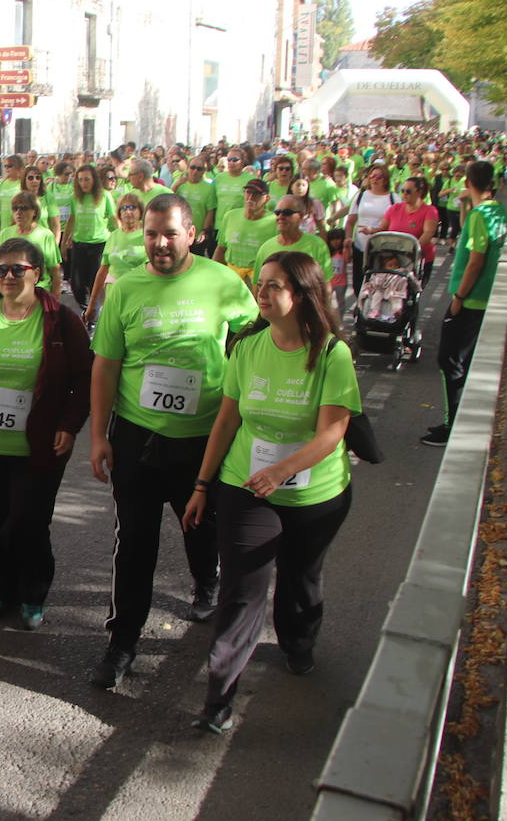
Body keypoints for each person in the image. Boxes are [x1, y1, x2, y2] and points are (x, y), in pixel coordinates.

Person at [182, 252, 359, 733]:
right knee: (242, 592)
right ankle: (218, 702)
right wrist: (203, 483)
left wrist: (282, 471)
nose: (261, 293)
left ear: (301, 295)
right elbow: (227, 419)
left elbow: (332, 432)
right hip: (247, 487)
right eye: (260, 285)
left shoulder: (331, 354)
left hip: (315, 495)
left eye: (274, 286)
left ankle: (299, 643)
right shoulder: (247, 346)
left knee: (300, 581)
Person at [88, 193, 258, 689]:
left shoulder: (222, 281)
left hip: (202, 437)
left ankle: (208, 580)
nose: (159, 244)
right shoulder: (126, 288)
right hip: (137, 436)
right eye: (150, 234)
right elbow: (106, 364)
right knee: (134, 542)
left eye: (169, 234)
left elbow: (256, 340)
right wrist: (98, 434)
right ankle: (122, 643)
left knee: (201, 528)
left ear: (193, 234)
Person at [0, 237, 92, 630]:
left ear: (37, 274)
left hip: (39, 445)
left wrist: (68, 425)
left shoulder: (60, 320)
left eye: (17, 269)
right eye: (0, 269)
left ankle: (33, 591)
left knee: (26, 522)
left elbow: (84, 378)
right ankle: (2, 589)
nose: (7, 276)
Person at [424, 161, 507, 447]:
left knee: (449, 360)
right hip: (485, 299)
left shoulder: (480, 215)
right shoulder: (493, 210)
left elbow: (476, 259)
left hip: (471, 299)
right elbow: (468, 233)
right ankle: (459, 421)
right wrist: (463, 206)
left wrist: (459, 297)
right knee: (465, 361)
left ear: (469, 182)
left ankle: (452, 425)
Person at [83, 193, 146, 325]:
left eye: (133, 207)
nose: (128, 211)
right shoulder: (114, 236)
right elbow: (103, 270)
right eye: (124, 208)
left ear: (141, 211)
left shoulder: (147, 235)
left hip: (139, 299)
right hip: (113, 298)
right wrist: (92, 305)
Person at [64, 164, 114, 311]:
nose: (84, 183)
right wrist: (64, 243)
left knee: (95, 283)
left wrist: (120, 238)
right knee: (76, 284)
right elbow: (72, 219)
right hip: (79, 244)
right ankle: (85, 307)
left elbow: (113, 219)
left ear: (94, 180)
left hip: (99, 244)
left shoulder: (105, 195)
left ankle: (93, 314)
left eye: (87, 179)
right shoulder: (75, 198)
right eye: (80, 180)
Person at [0, 192, 60, 297]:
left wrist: (55, 304)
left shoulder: (46, 235)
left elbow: (55, 272)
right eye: (15, 208)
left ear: (35, 211)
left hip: (38, 294)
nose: (18, 212)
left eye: (24, 208)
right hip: (10, 294)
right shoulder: (5, 233)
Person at [252, 195, 332, 285]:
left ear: (300, 216)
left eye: (287, 212)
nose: (281, 216)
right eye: (277, 212)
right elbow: (257, 286)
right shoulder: (265, 248)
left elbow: (325, 285)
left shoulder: (317, 245)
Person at [345, 165, 398, 297]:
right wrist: (348, 241)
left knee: (379, 283)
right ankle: (360, 308)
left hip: (383, 248)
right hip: (360, 246)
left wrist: (373, 231)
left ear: (385, 179)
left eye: (379, 176)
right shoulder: (361, 196)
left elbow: (396, 224)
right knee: (359, 282)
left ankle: (375, 311)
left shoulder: (394, 198)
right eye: (372, 176)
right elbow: (350, 222)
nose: (375, 179)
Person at [214, 179, 277, 284]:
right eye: (248, 192)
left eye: (257, 194)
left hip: (259, 277)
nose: (251, 198)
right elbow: (221, 248)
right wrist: (213, 273)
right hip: (232, 274)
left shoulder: (274, 221)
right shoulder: (230, 216)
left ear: (267, 198)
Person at [380, 176, 440, 286]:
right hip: (394, 257)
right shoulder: (395, 208)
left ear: (419, 192)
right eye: (402, 191)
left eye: (408, 191)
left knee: (411, 291)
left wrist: (414, 247)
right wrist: (370, 230)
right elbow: (382, 229)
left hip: (417, 258)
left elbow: (428, 233)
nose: (404, 194)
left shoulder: (429, 211)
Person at [325, 228, 348, 313]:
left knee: (340, 303)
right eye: (332, 239)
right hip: (328, 282)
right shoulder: (327, 252)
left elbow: (348, 259)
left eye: (338, 239)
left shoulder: (344, 252)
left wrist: (347, 246)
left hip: (341, 283)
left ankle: (340, 320)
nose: (335, 242)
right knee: (326, 302)